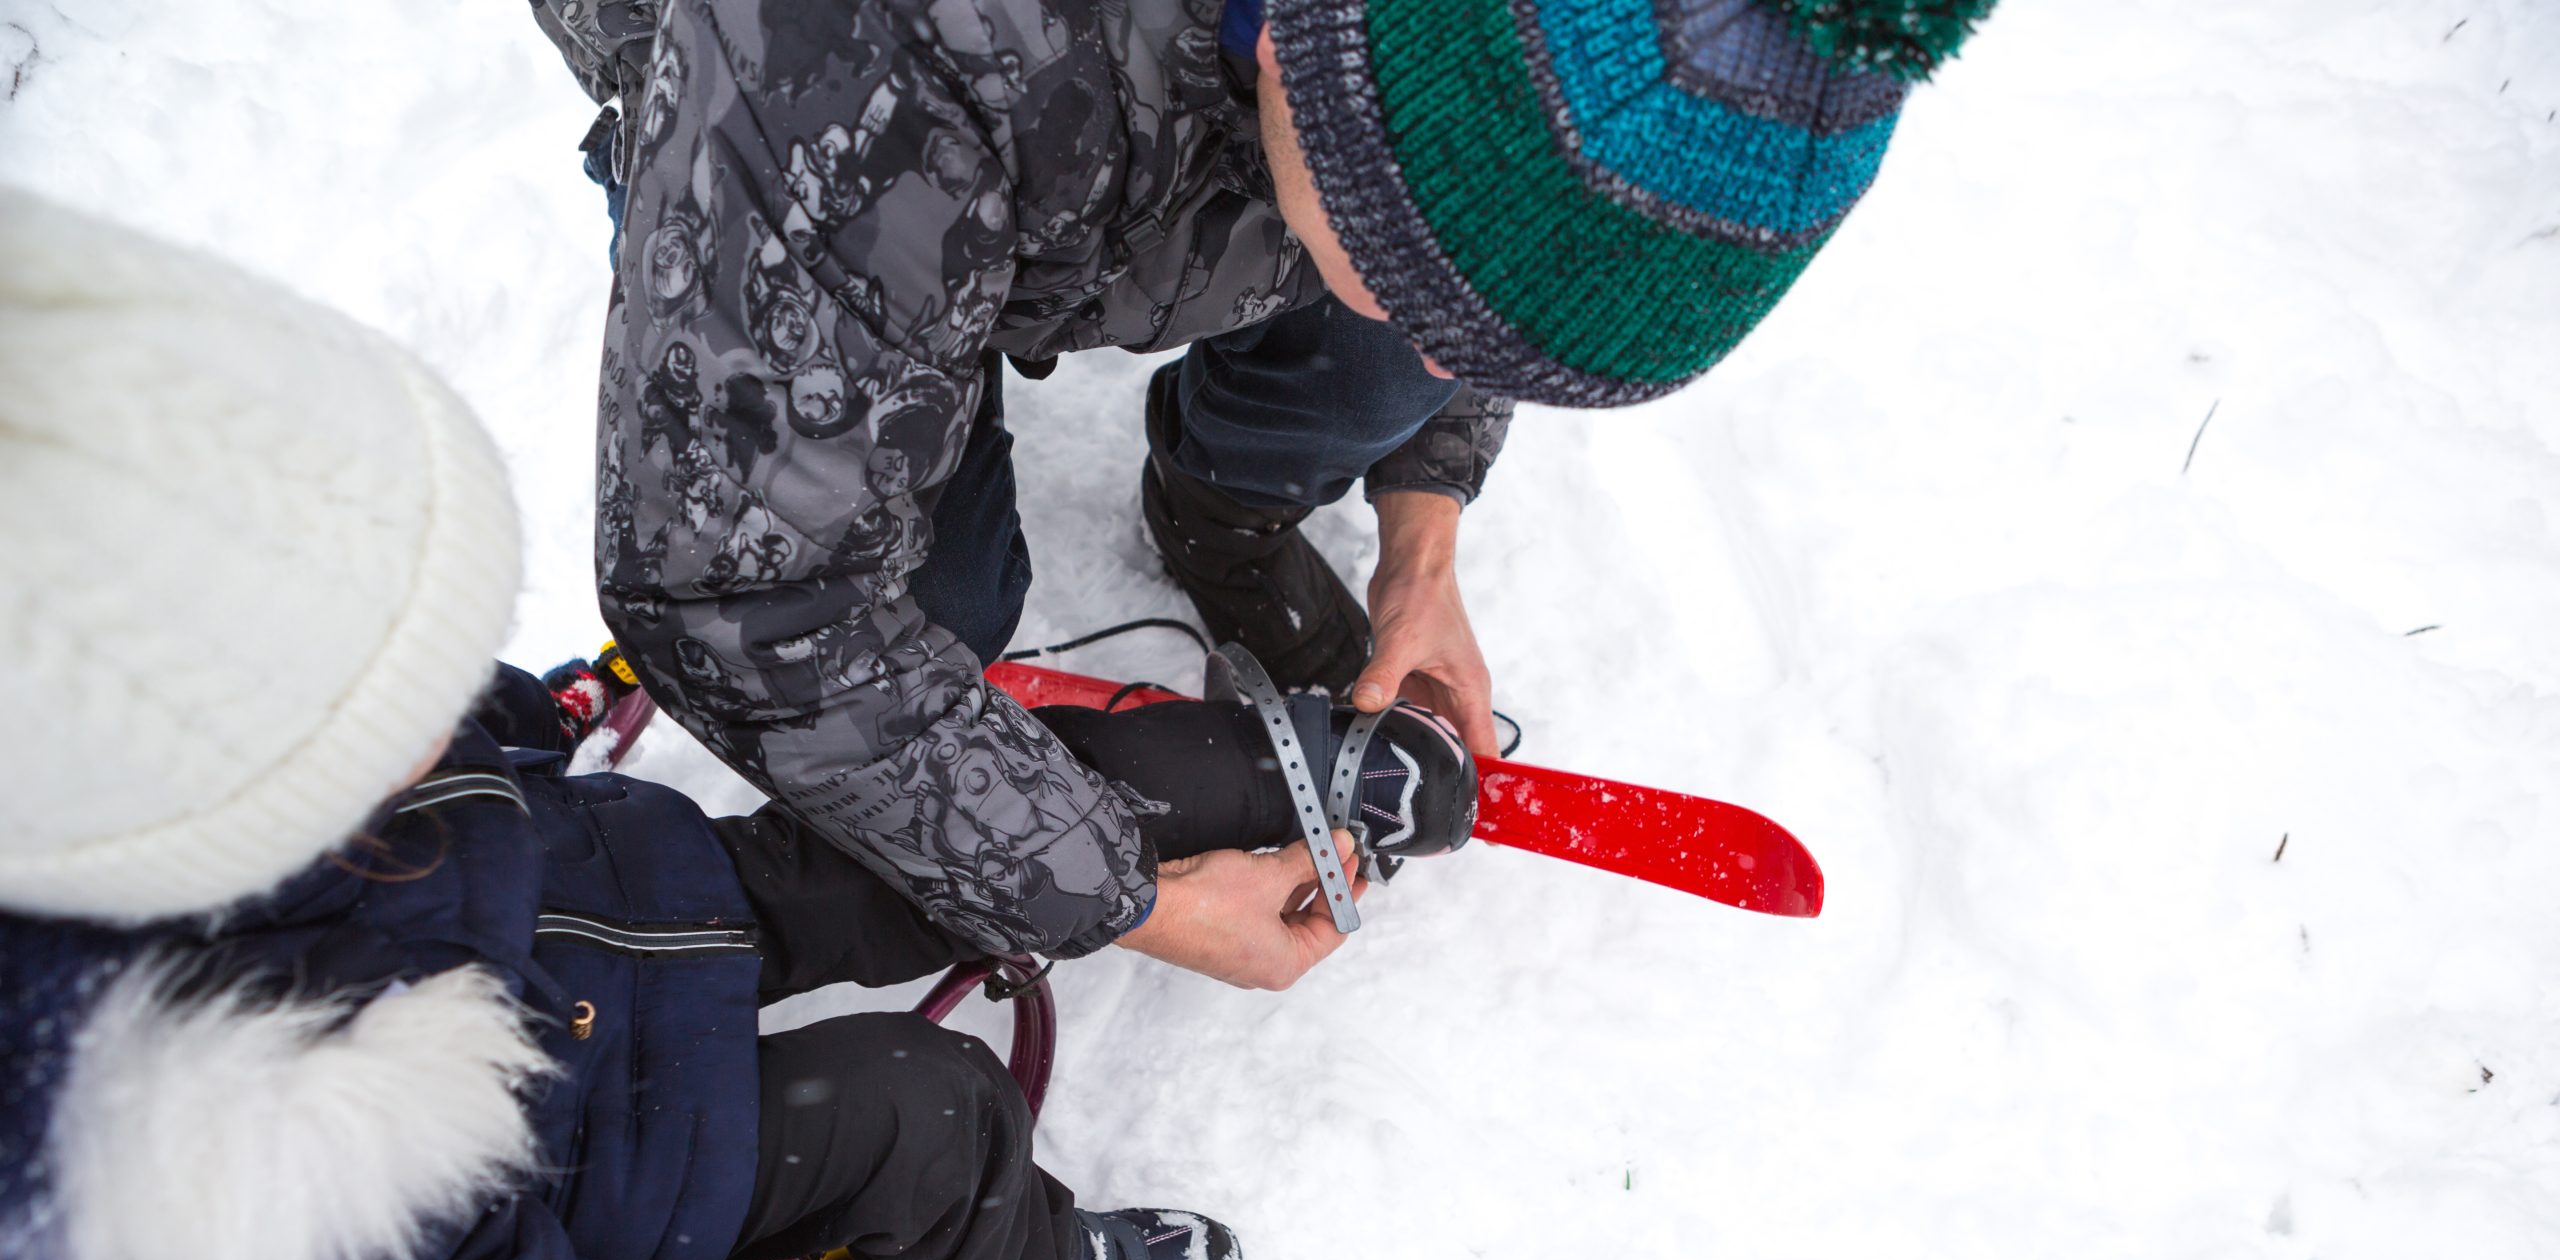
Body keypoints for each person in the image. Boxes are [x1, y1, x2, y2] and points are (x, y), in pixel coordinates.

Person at [0, 188, 1464, 1260]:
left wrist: (537, 712)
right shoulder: (238, 1199)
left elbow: (447, 731)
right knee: (918, 1112)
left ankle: (1267, 775)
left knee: (942, 826)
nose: (420, 727)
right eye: (385, 721)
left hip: (631, 899)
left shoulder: (232, 733)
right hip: (625, 1147)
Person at [526, 0, 1994, 987]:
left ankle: (1219, 497)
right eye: (1429, 293)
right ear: (1312, 79)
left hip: (1180, 126)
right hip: (807, 137)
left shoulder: (1489, 65)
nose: (1447, 363)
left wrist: (1423, 539)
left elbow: (1501, 213)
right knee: (930, 612)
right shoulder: (872, 69)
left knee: (1390, 349)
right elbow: (742, 588)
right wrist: (1124, 896)